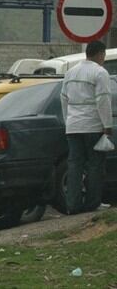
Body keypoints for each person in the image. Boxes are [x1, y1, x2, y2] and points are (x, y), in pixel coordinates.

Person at [61, 40, 113, 214]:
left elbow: (63, 99)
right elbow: (103, 100)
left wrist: (68, 121)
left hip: (73, 126)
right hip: (92, 126)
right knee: (95, 165)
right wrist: (107, 125)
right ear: (100, 54)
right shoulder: (100, 72)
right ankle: (92, 203)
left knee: (74, 165)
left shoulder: (70, 73)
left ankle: (73, 205)